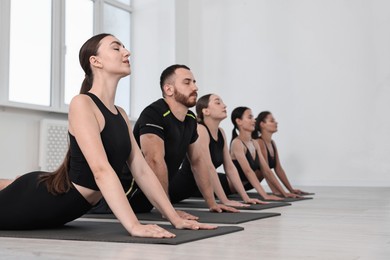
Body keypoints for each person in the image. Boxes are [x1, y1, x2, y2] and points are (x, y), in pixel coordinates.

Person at [0, 34, 215, 236]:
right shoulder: (82, 103)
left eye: (124, 47)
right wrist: (134, 226)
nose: (127, 52)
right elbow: (101, 170)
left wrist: (174, 217)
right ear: (96, 61)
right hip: (39, 200)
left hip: (63, 206)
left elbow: (142, 170)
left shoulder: (120, 113)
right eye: (116, 48)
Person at [127, 65, 238, 217]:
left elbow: (198, 162)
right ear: (169, 89)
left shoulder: (190, 119)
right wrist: (168, 211)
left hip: (147, 201)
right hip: (125, 196)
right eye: (187, 82)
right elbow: (154, 160)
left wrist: (212, 203)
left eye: (194, 82)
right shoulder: (153, 113)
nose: (195, 87)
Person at [169, 94, 265, 205]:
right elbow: (208, 167)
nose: (224, 105)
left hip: (194, 190)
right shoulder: (200, 130)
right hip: (176, 187)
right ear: (206, 111)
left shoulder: (221, 132)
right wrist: (225, 201)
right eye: (218, 103)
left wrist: (246, 198)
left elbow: (230, 168)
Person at [230, 107, 300, 200]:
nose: (254, 120)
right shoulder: (237, 143)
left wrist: (285, 193)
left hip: (246, 186)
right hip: (226, 186)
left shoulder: (254, 143)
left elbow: (267, 170)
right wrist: (265, 195)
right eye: (250, 117)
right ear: (239, 121)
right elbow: (248, 171)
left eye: (253, 117)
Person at [252, 111, 309, 195]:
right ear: (262, 124)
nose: (276, 122)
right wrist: (279, 192)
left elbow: (278, 169)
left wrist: (291, 190)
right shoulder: (259, 143)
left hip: (249, 185)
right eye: (272, 121)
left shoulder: (272, 143)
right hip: (238, 185)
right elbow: (266, 171)